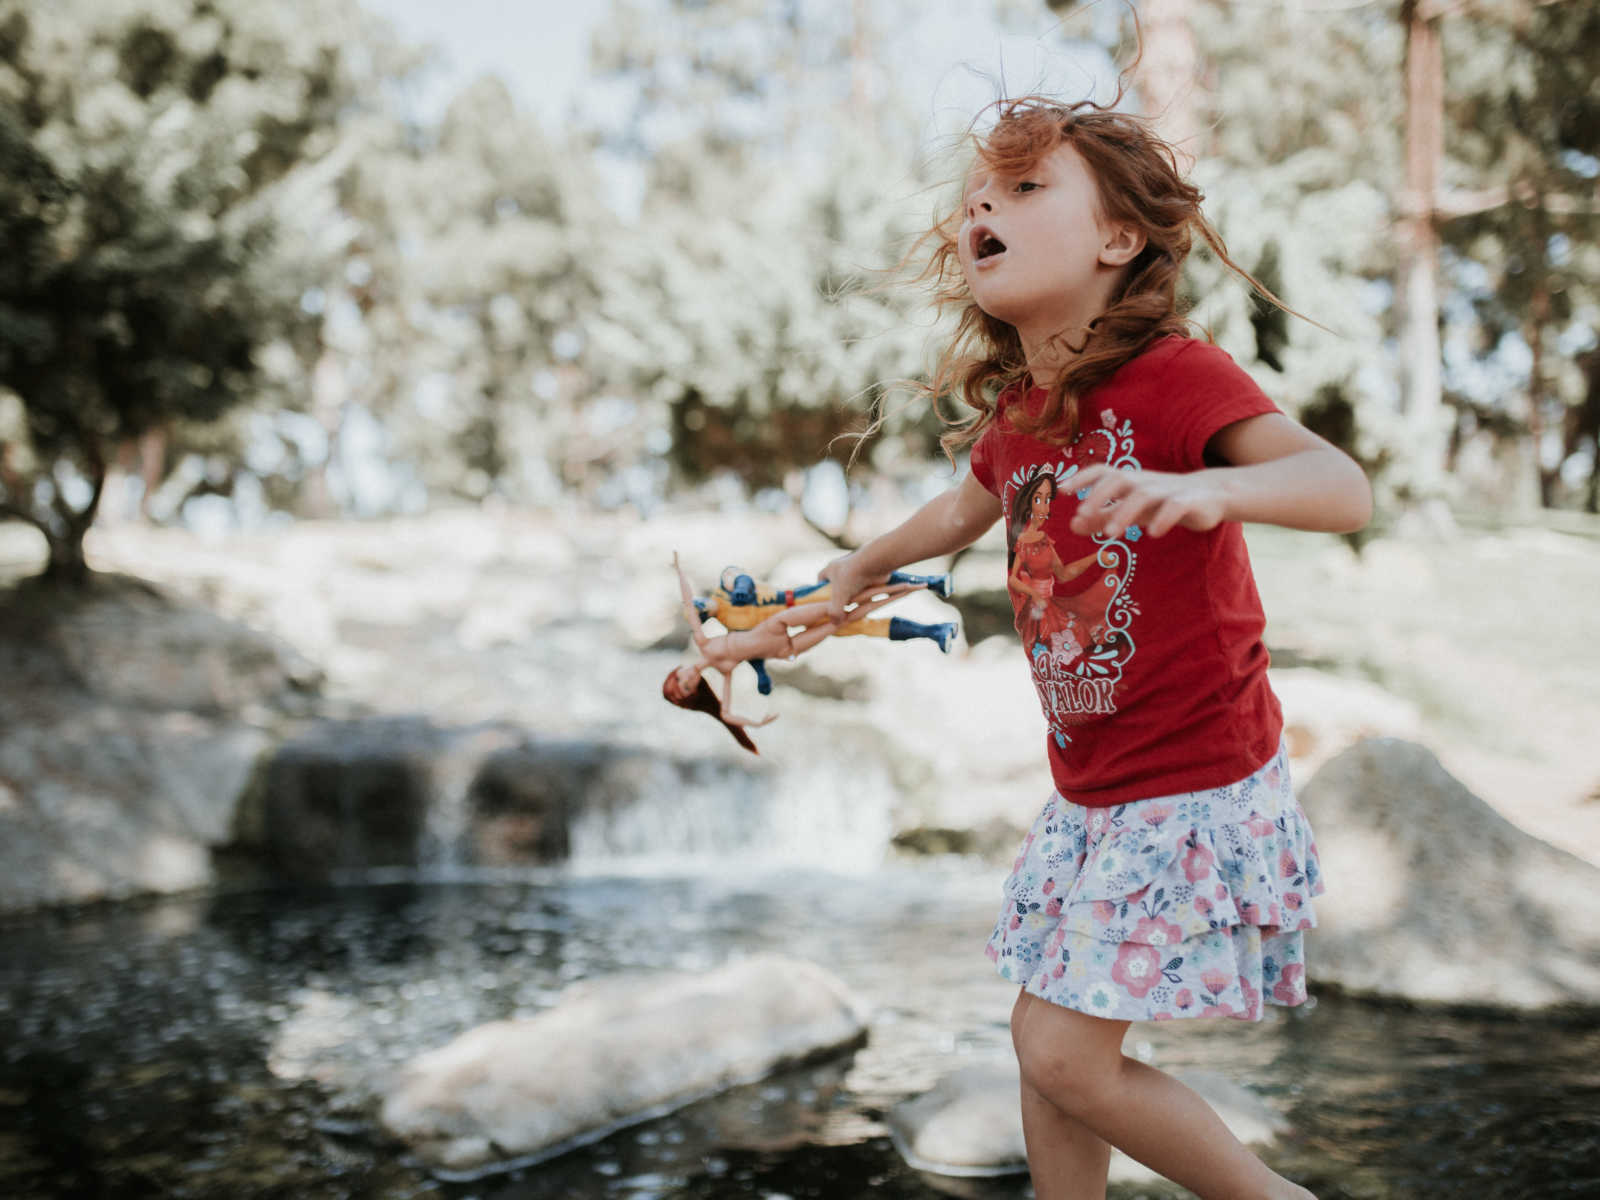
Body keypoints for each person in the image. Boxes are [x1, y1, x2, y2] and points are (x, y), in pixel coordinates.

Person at [818, 94, 1372, 1200]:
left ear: (1118, 239)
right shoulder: (1024, 411)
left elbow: (1340, 487)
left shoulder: (1174, 378)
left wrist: (1202, 486)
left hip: (1190, 784)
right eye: (980, 193)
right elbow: (954, 516)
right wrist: (855, 569)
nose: (984, 203)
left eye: (1025, 190)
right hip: (1094, 796)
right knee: (1048, 1056)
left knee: (1063, 1053)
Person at [663, 553, 941, 753]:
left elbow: (689, 604)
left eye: (682, 679)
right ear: (696, 690)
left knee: (838, 605)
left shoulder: (704, 643)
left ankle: (918, 585)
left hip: (776, 625)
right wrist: (755, 724)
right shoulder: (724, 670)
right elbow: (726, 713)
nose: (690, 678)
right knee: (838, 622)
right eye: (689, 687)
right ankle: (906, 591)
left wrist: (678, 571)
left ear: (678, 671)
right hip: (784, 649)